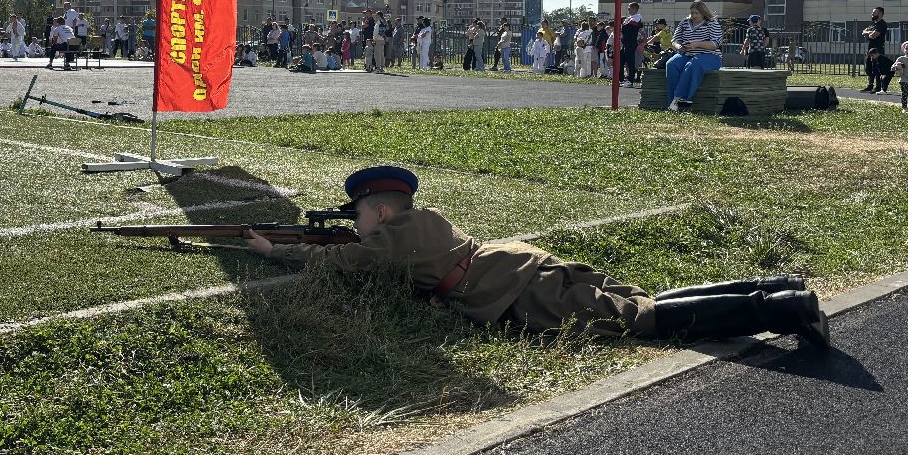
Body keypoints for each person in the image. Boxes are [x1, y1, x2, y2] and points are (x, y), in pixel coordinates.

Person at [243, 166, 828, 347]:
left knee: (642, 321)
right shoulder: (420, 223)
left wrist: (275, 251)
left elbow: (343, 263)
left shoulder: (395, 236)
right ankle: (775, 287)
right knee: (641, 305)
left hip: (525, 287)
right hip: (522, 268)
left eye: (362, 214)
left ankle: (785, 308)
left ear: (384, 211)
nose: (359, 224)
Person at [665, 0, 723, 113]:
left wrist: (697, 44)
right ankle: (673, 101)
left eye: (697, 13)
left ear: (703, 13)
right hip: (686, 54)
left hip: (710, 56)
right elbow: (675, 40)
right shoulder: (684, 22)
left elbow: (715, 44)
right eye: (692, 13)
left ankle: (679, 99)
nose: (694, 15)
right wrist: (678, 46)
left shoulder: (712, 23)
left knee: (693, 64)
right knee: (671, 64)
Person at [860, 7, 889, 93]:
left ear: (880, 14)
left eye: (874, 13)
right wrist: (869, 32)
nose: (872, 14)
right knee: (868, 68)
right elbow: (863, 32)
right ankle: (870, 85)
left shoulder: (882, 24)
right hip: (870, 49)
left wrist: (868, 33)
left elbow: (874, 35)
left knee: (877, 69)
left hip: (878, 49)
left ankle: (878, 87)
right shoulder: (873, 24)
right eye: (872, 13)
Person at [620, 2, 644, 85]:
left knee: (630, 62)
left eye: (629, 8)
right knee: (621, 60)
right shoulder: (629, 18)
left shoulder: (637, 17)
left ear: (634, 9)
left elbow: (627, 26)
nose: (628, 10)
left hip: (631, 42)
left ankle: (631, 80)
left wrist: (623, 24)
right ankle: (621, 79)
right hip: (625, 42)